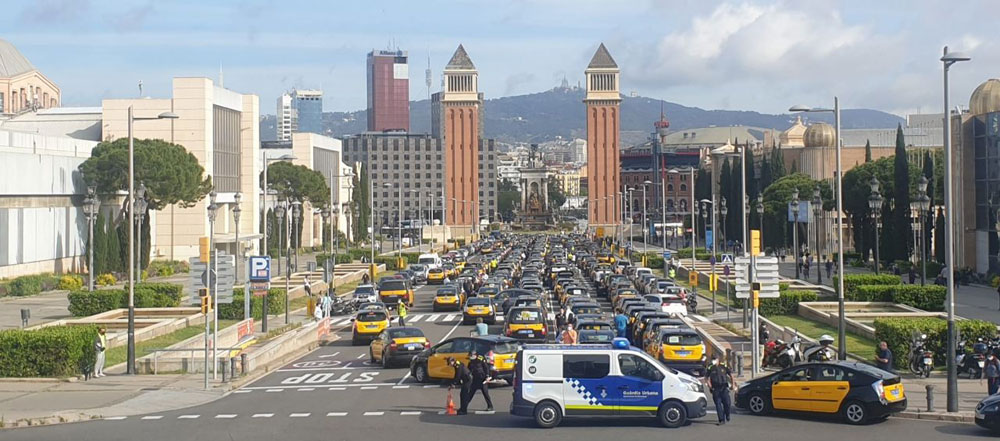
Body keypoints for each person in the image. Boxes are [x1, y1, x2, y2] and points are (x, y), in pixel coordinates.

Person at [706, 356, 734, 425]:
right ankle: (721, 420)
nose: (714, 361)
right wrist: (710, 386)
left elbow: (730, 375)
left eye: (715, 359)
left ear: (718, 359)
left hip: (724, 387)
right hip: (716, 388)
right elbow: (707, 378)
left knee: (727, 403)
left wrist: (733, 384)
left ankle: (727, 414)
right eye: (713, 360)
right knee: (718, 404)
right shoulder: (710, 367)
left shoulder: (723, 366)